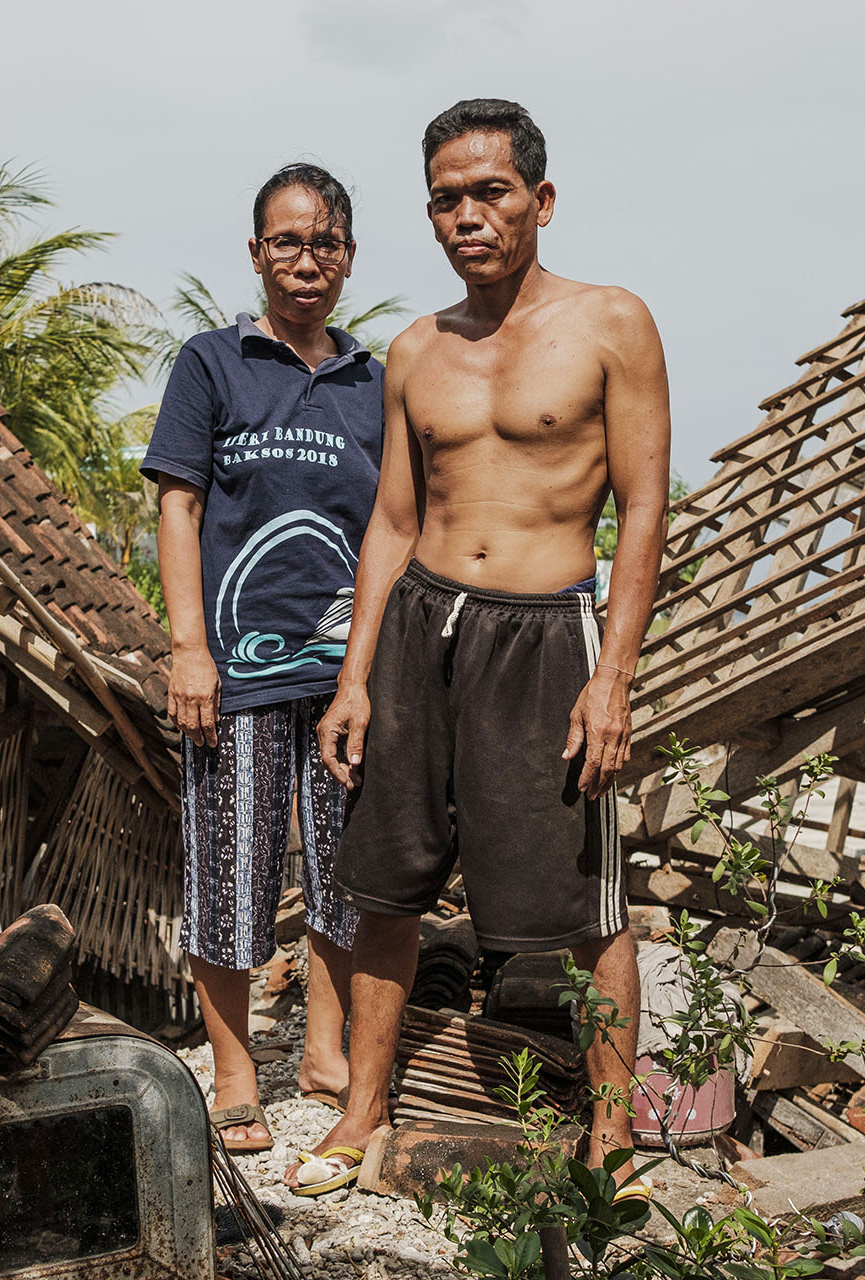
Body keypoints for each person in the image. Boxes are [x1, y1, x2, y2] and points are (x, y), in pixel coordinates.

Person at [294, 99, 672, 1197]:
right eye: (447, 198)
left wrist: (614, 678)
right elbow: (394, 524)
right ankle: (363, 1110)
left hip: (548, 634)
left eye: (490, 192)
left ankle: (613, 1137)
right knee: (388, 883)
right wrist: (355, 676)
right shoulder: (416, 349)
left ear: (540, 201)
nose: (469, 215)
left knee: (584, 902)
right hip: (421, 625)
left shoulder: (613, 324)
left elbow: (642, 509)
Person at [142, 163, 383, 1155]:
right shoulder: (213, 362)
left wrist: (369, 671)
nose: (306, 259)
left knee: (344, 871)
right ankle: (236, 1067)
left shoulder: (376, 378)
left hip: (344, 675)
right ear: (255, 254)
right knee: (231, 866)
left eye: (324, 241)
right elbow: (178, 503)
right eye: (286, 241)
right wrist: (188, 646)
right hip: (234, 671)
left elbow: (393, 525)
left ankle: (324, 1050)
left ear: (349, 257)